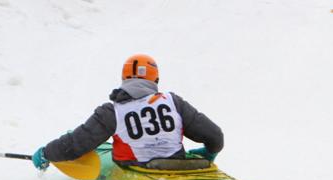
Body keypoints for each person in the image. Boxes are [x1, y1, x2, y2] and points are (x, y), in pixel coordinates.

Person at [31, 53, 224, 170]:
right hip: (177, 165)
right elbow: (215, 136)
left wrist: (47, 153)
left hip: (136, 172)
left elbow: (75, 145)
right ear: (155, 80)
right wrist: (210, 152)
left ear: (124, 78)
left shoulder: (112, 112)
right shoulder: (174, 102)